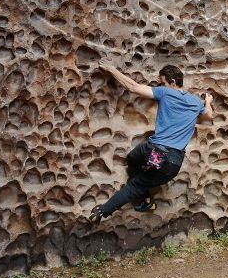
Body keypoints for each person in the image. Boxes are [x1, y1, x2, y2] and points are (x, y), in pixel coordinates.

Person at [88, 58, 213, 224]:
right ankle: (124, 207)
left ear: (173, 82)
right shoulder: (197, 102)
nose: (160, 85)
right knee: (139, 184)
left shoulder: (166, 92)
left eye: (162, 82)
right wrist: (208, 102)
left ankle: (142, 197)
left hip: (156, 151)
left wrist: (111, 69)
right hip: (173, 163)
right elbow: (209, 116)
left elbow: (133, 87)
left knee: (133, 159)